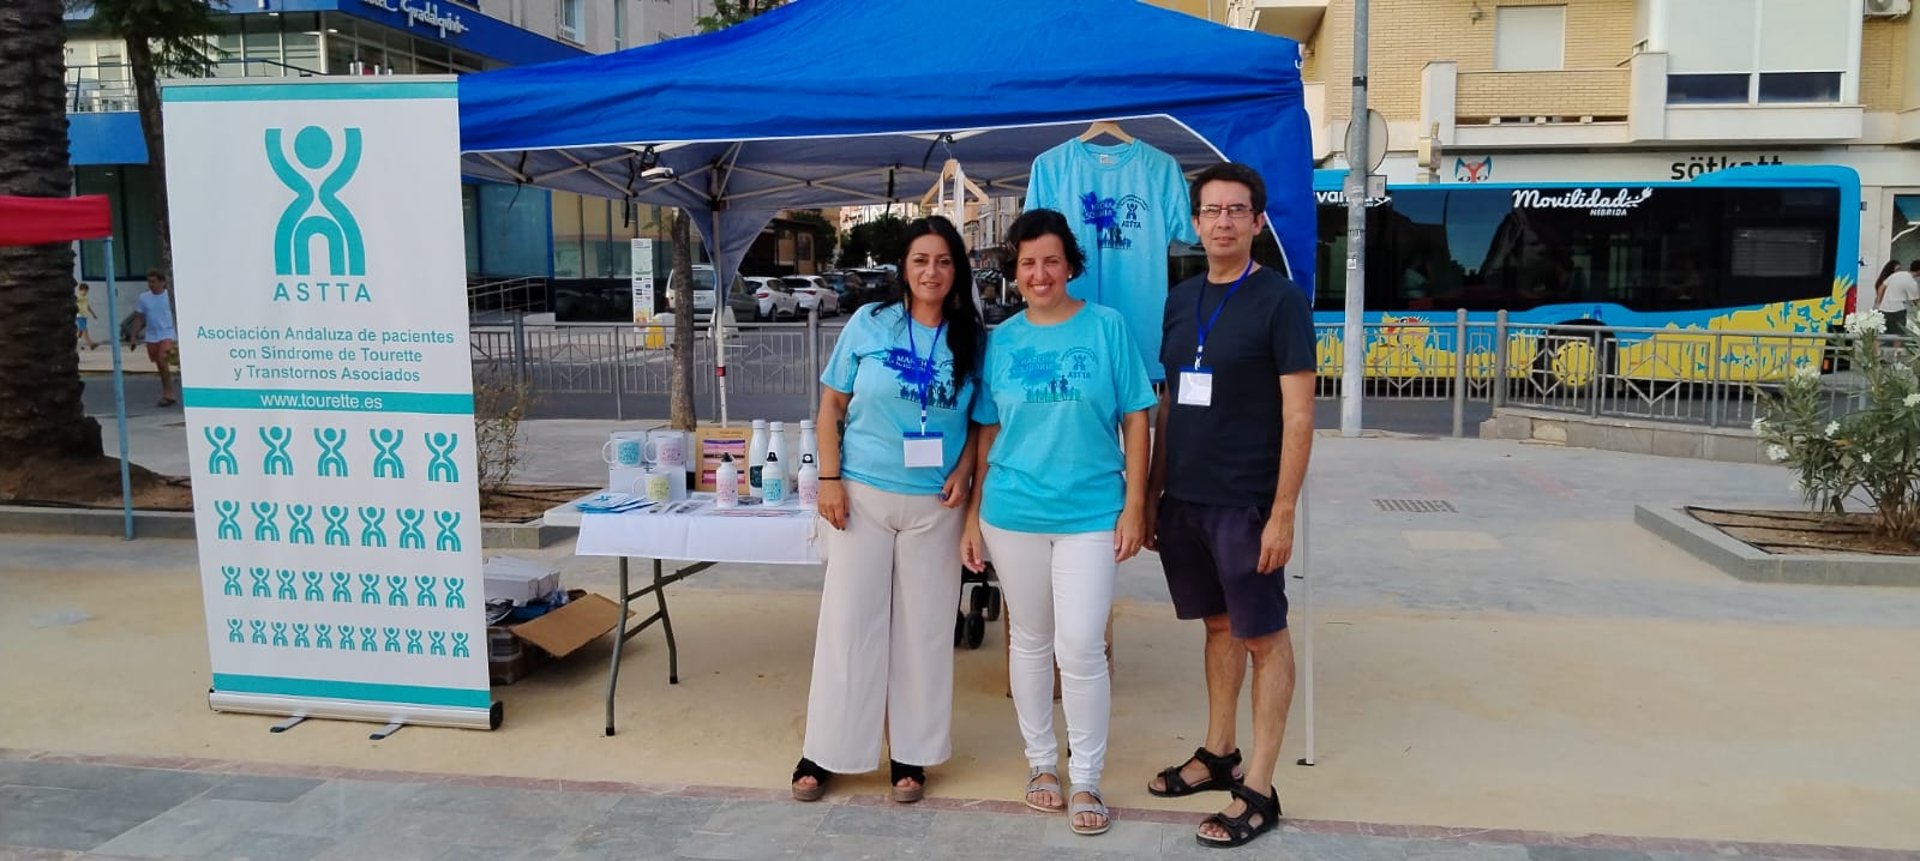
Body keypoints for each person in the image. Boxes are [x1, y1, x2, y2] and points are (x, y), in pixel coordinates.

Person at [961, 208, 1155, 837]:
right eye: (1027, 263)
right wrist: (973, 517)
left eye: (1050, 261)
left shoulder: (1107, 327)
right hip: (1012, 511)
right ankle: (1042, 764)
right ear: (1013, 272)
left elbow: (1136, 417)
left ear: (1071, 265)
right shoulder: (1003, 340)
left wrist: (1136, 504)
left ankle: (1087, 775)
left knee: (1082, 645)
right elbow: (987, 431)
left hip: (1092, 511)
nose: (1039, 274)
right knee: (1030, 640)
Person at [1143, 162, 1315, 849]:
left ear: (1257, 221)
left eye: (1236, 210)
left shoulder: (1281, 301)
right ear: (1195, 222)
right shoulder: (1181, 298)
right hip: (1185, 498)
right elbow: (1167, 403)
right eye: (1211, 211)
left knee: (1263, 637)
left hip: (1246, 501)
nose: (1223, 222)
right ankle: (1220, 752)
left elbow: (1299, 416)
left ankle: (1261, 788)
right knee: (1217, 626)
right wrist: (1152, 491)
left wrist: (1283, 511)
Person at [792, 215, 984, 805]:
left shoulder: (972, 337)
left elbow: (982, 421)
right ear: (903, 266)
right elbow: (831, 405)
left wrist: (965, 469)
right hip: (861, 496)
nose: (932, 271)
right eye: (921, 259)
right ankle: (827, 750)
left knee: (925, 631)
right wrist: (829, 480)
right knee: (849, 625)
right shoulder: (869, 322)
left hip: (936, 504)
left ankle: (912, 752)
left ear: (957, 271)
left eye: (944, 261)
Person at [133, 270, 178, 407]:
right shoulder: (144, 298)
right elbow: (139, 318)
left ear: (162, 282)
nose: (151, 284)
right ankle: (167, 389)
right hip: (152, 335)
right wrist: (134, 335)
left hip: (168, 333)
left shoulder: (170, 296)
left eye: (154, 281)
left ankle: (169, 394)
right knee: (160, 365)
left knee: (162, 359)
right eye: (149, 282)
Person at [1876, 260, 1918, 337]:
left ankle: (1875, 346)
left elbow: (1881, 287)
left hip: (1884, 308)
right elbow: (1915, 301)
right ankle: (1897, 346)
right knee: (1898, 335)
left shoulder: (1896, 275)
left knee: (1880, 334)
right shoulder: (1912, 282)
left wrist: (1878, 303)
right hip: (1898, 311)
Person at [74, 283, 98, 350]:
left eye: (87, 291)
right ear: (80, 290)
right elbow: (72, 302)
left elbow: (87, 306)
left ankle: (75, 344)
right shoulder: (78, 297)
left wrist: (93, 314)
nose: (85, 292)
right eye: (84, 291)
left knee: (80, 332)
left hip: (84, 316)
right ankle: (91, 344)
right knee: (85, 330)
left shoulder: (86, 298)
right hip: (79, 316)